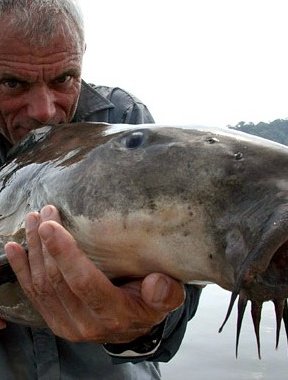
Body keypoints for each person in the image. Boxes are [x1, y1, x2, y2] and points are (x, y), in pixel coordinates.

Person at [0, 0, 201, 378]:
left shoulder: (124, 125)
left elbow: (180, 298)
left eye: (64, 79)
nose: (44, 110)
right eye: (13, 83)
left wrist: (144, 324)